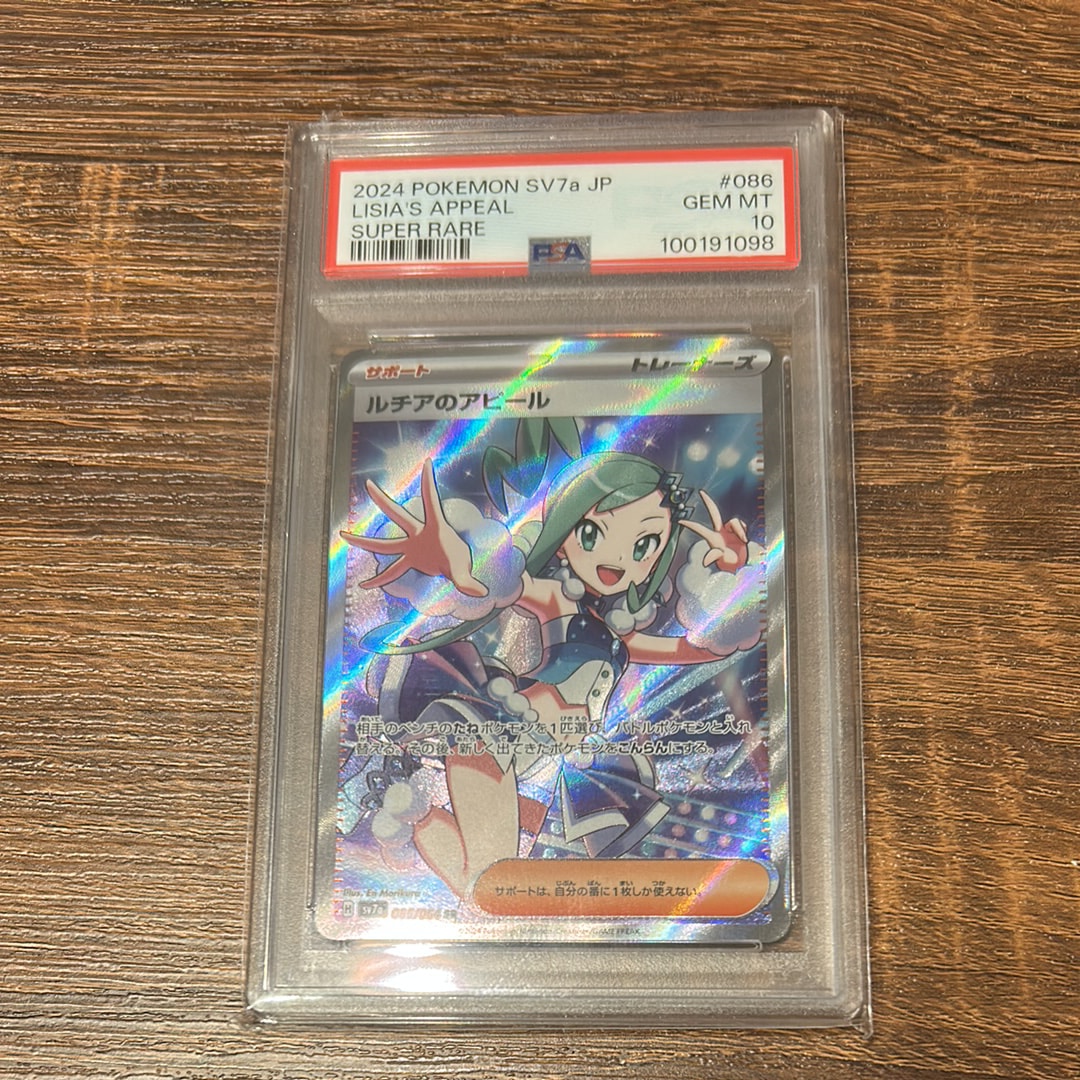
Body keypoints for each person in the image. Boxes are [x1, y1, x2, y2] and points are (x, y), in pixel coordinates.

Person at [342, 432, 763, 899]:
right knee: (492, 875)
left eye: (644, 546)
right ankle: (410, 803)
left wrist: (731, 586)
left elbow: (698, 649)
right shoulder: (557, 598)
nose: (618, 558)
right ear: (563, 536)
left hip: (554, 756)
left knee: (490, 879)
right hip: (505, 728)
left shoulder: (618, 634)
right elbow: (500, 583)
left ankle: (414, 810)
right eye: (592, 534)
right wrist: (459, 560)